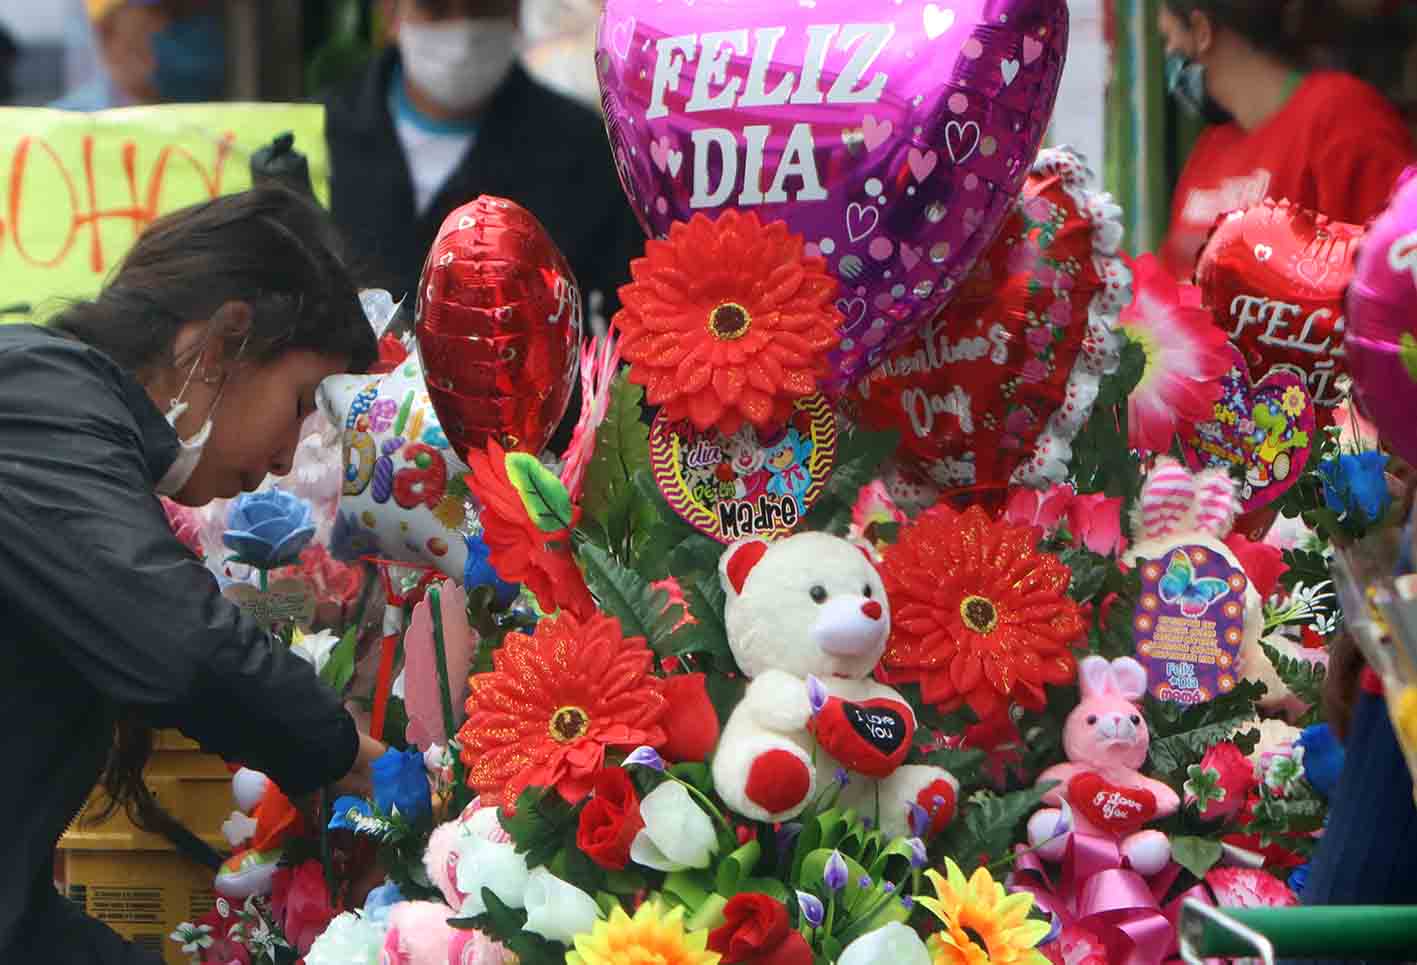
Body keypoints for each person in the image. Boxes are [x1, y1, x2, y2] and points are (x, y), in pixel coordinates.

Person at [0, 186, 384, 964]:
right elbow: (182, 644)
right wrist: (347, 758)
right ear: (223, 342)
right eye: (302, 399)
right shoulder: (37, 394)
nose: (287, 455)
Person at [323, 0, 643, 326]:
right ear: (389, 11)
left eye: (482, 8)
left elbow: (630, 318)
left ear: (516, 12)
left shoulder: (586, 152)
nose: (462, 33)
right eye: (436, 9)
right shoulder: (320, 134)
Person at [1158, 0, 1415, 279]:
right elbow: (1167, 286)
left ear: (1201, 31)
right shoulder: (1211, 147)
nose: (1168, 53)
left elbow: (1399, 275)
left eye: (1169, 38)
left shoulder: (1342, 120)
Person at [52, 0, 226, 112]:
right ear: (108, 30)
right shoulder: (64, 129)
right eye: (158, 12)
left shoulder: (212, 126)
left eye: (187, 14)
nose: (166, 25)